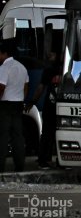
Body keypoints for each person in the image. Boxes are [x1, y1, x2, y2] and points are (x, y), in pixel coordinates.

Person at [26, 50, 61, 169]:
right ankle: (51, 158)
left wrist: (32, 101)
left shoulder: (49, 70)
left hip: (50, 106)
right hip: (61, 106)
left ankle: (44, 159)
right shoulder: (67, 68)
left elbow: (40, 88)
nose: (48, 56)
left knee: (47, 133)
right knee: (53, 133)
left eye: (51, 54)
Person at [0, 38, 29, 173]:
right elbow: (26, 86)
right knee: (18, 137)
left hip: (5, 105)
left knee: (3, 137)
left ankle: (1, 166)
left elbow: (1, 87)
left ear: (4, 53)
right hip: (18, 104)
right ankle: (19, 166)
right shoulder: (22, 67)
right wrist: (21, 98)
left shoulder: (4, 68)